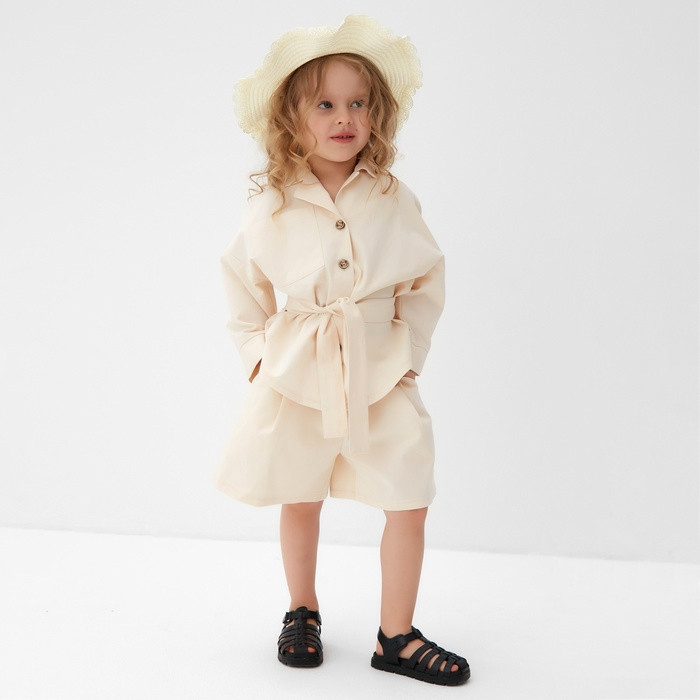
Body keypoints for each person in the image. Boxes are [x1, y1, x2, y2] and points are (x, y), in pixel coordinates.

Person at [214, 15, 470, 687]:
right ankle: (302, 610)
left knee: (408, 493)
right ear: (291, 120)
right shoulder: (272, 202)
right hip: (296, 370)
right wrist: (258, 357)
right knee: (299, 492)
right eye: (324, 104)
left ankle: (397, 635)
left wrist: (409, 349)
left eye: (358, 103)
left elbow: (426, 277)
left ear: (376, 114)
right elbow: (241, 282)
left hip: (380, 368)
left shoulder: (391, 196)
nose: (344, 118)